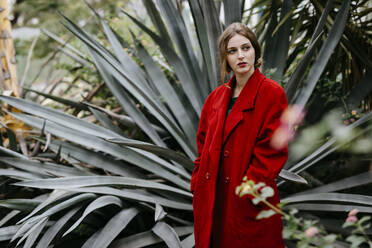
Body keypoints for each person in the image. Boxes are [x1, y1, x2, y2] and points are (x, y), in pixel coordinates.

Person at [190, 23, 288, 248]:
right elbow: (203, 145)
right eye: (232, 51)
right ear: (225, 58)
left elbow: (273, 152)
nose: (241, 56)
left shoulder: (272, 93)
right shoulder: (215, 97)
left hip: (248, 202)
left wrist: (245, 195)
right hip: (212, 200)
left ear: (256, 51)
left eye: (246, 48)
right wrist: (197, 183)